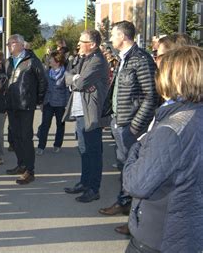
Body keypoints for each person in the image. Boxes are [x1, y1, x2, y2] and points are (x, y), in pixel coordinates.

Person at [123, 46, 203, 253]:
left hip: (161, 236)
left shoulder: (172, 129)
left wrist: (138, 146)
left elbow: (136, 183)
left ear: (174, 79)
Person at [99, 21, 159, 235]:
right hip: (120, 122)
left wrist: (135, 126)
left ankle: (135, 220)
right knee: (125, 168)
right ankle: (124, 203)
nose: (110, 39)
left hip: (130, 126)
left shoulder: (141, 59)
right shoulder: (124, 59)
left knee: (134, 172)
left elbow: (151, 95)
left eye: (113, 35)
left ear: (123, 36)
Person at [63, 30, 110, 203]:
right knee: (83, 150)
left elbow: (81, 83)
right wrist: (75, 79)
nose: (78, 44)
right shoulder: (84, 58)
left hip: (90, 113)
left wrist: (76, 80)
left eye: (81, 41)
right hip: (80, 112)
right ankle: (84, 182)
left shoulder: (97, 60)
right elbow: (67, 76)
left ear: (92, 44)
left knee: (93, 152)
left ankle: (93, 188)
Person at [5, 34, 46, 185]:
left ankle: (30, 170)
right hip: (11, 105)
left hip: (26, 105)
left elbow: (43, 81)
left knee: (25, 137)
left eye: (12, 43)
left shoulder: (32, 61)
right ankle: (21, 164)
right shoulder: (9, 61)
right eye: (8, 44)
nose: (9, 46)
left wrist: (38, 100)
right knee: (15, 137)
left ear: (21, 44)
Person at [36, 50, 69, 155]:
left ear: (57, 61)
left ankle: (57, 145)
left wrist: (68, 105)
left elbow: (68, 90)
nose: (49, 60)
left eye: (51, 59)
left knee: (60, 125)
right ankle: (41, 146)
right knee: (45, 125)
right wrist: (41, 102)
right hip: (48, 102)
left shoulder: (66, 74)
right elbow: (42, 88)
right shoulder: (46, 72)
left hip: (60, 103)